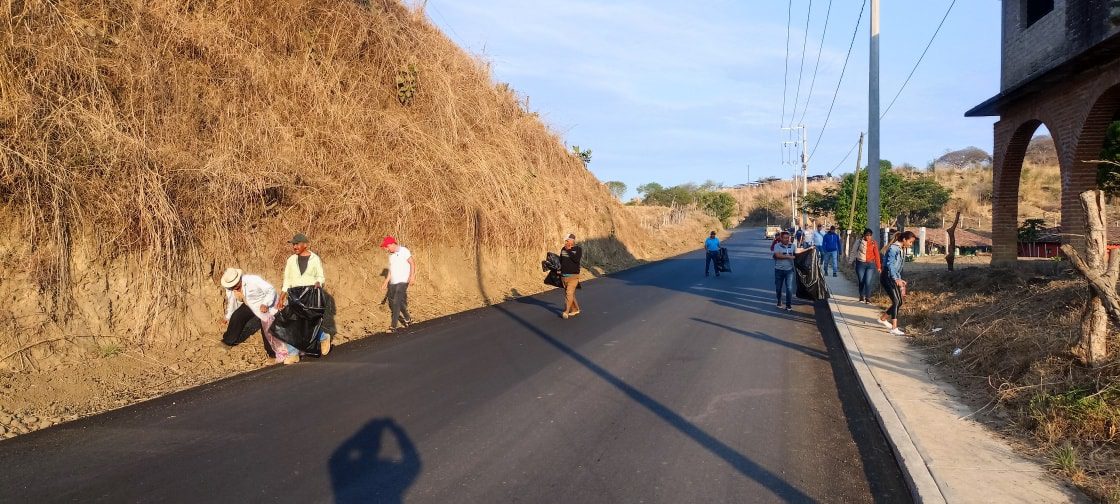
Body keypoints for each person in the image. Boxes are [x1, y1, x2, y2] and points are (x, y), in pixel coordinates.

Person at [220, 268, 301, 365]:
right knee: (237, 316)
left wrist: (266, 303)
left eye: (236, 285)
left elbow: (270, 290)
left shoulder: (253, 280)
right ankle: (228, 341)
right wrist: (227, 317)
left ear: (240, 279)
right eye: (232, 287)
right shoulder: (231, 288)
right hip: (250, 305)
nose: (234, 288)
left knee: (267, 329)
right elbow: (232, 302)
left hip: (266, 305)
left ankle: (273, 354)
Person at [277, 233, 331, 355]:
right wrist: (281, 298)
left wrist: (318, 282)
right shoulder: (291, 260)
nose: (294, 246)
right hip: (294, 295)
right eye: (293, 244)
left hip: (309, 294)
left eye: (297, 244)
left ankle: (323, 337)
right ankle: (292, 354)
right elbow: (287, 280)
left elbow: (320, 276)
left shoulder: (315, 259)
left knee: (308, 323)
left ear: (305, 245)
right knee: (291, 323)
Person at [878, 231, 917, 336]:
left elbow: (897, 268)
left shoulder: (901, 249)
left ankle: (883, 319)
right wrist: (896, 279)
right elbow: (890, 265)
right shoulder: (894, 248)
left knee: (899, 302)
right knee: (896, 301)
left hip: (892, 277)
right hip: (887, 277)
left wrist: (900, 279)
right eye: (910, 242)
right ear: (904, 240)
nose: (911, 244)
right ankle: (894, 328)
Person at [380, 236, 415, 333]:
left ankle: (393, 327)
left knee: (396, 302)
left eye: (387, 247)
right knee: (394, 302)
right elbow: (391, 270)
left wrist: (412, 276)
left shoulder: (404, 251)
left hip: (403, 281)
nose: (386, 249)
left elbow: (412, 263)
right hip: (393, 282)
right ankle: (408, 319)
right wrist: (385, 282)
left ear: (391, 244)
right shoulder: (391, 256)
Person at [773, 231, 800, 311]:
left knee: (789, 288)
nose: (786, 239)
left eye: (788, 238)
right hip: (778, 270)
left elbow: (798, 253)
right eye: (784, 238)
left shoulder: (793, 246)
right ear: (781, 238)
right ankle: (779, 301)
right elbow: (777, 255)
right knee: (778, 288)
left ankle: (788, 305)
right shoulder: (777, 245)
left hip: (789, 270)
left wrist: (810, 249)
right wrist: (789, 257)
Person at [853, 228, 881, 304]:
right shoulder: (859, 242)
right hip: (860, 264)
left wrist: (878, 266)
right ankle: (861, 296)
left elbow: (877, 255)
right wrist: (850, 262)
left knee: (868, 281)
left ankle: (868, 297)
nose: (868, 237)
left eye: (870, 235)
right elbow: (853, 252)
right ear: (864, 235)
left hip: (870, 265)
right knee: (861, 281)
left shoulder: (873, 243)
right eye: (867, 235)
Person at [559, 233, 583, 319]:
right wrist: (558, 269)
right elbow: (561, 261)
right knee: (570, 294)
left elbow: (576, 260)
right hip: (564, 276)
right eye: (565, 240)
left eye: (567, 240)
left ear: (572, 240)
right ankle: (576, 309)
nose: (566, 242)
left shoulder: (578, 249)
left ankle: (566, 311)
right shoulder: (563, 249)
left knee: (568, 293)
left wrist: (569, 250)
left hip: (573, 276)